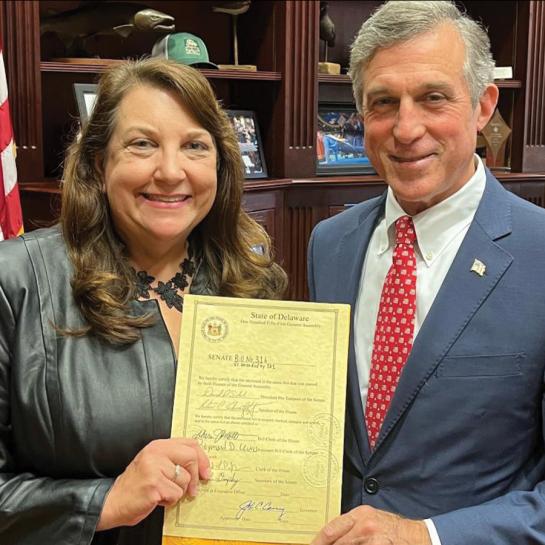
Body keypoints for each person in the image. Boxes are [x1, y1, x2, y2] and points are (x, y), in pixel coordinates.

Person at [0, 58, 287, 544]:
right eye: (142, 144)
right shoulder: (16, 281)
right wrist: (104, 501)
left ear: (219, 163)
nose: (170, 171)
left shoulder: (253, 282)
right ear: (98, 162)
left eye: (194, 146)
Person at [308, 2, 545, 544]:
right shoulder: (331, 245)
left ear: (484, 106)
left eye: (433, 98)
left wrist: (427, 536)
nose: (406, 129)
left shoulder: (541, 255)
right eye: (384, 103)